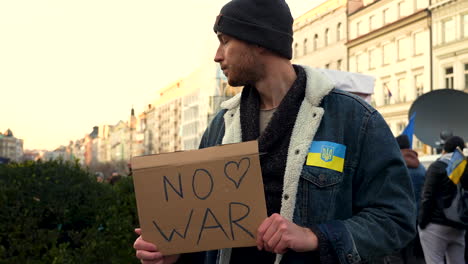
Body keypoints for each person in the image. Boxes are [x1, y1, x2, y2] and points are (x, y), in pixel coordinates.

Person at [133, 0, 416, 263]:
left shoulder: (354, 119)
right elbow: (209, 235)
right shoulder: (221, 126)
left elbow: (396, 219)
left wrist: (315, 236)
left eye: (225, 41)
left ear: (260, 41)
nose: (218, 56)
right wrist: (175, 256)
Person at [419, 136, 467, 264]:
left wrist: (422, 222)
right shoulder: (465, 166)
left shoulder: (437, 166)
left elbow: (427, 196)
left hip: (435, 224)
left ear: (444, 150)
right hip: (459, 224)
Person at [382, 135, 426, 264]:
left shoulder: (395, 166)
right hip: (417, 220)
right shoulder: (421, 167)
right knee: (414, 257)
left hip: (397, 221)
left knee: (397, 257)